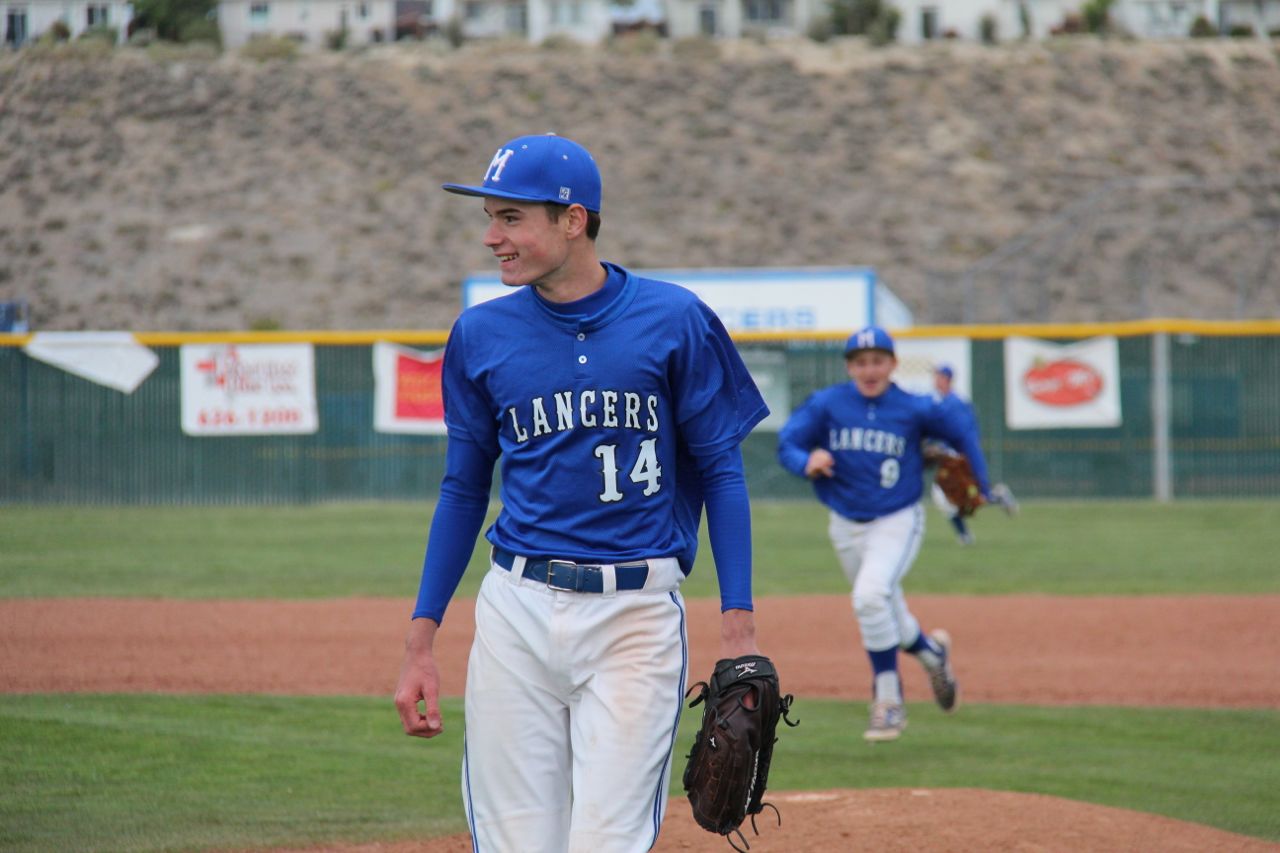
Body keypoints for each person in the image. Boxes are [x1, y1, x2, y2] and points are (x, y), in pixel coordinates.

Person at [393, 133, 770, 852]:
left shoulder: (676, 319)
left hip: (635, 617)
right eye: (490, 218)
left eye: (511, 218)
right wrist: (421, 643)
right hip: (516, 609)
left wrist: (739, 630)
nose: (492, 237)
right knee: (514, 841)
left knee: (606, 840)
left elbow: (723, 470)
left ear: (573, 220)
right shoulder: (480, 334)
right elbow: (463, 490)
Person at [776, 326, 993, 743]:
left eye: (877, 361)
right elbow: (788, 442)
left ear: (893, 364)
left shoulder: (915, 407)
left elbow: (963, 431)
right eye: (860, 362)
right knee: (886, 608)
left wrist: (981, 482)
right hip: (844, 523)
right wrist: (805, 460)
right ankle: (933, 655)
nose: (869, 369)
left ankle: (888, 700)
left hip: (897, 519)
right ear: (849, 367)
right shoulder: (828, 404)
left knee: (869, 597)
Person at [927, 364, 1018, 545]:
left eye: (938, 376)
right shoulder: (944, 401)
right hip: (953, 458)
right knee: (955, 498)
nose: (935, 380)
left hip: (960, 459)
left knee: (950, 496)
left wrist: (946, 449)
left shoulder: (955, 403)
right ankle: (994, 499)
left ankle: (966, 533)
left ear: (947, 379)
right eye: (935, 376)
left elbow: (964, 435)